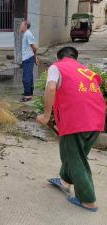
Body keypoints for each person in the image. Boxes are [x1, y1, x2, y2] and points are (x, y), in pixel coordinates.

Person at [37, 47, 105, 212]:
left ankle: (88, 200)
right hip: (97, 120)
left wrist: (46, 116)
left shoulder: (57, 67)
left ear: (59, 57)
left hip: (76, 121)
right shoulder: (87, 71)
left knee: (77, 160)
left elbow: (51, 88)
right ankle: (65, 181)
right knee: (73, 153)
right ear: (75, 58)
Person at [20, 20, 39, 102]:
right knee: (29, 76)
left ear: (25, 26)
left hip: (28, 58)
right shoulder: (26, 34)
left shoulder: (28, 34)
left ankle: (27, 95)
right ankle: (29, 92)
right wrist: (35, 57)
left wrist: (35, 57)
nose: (20, 27)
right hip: (27, 57)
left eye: (21, 25)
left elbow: (34, 47)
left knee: (26, 77)